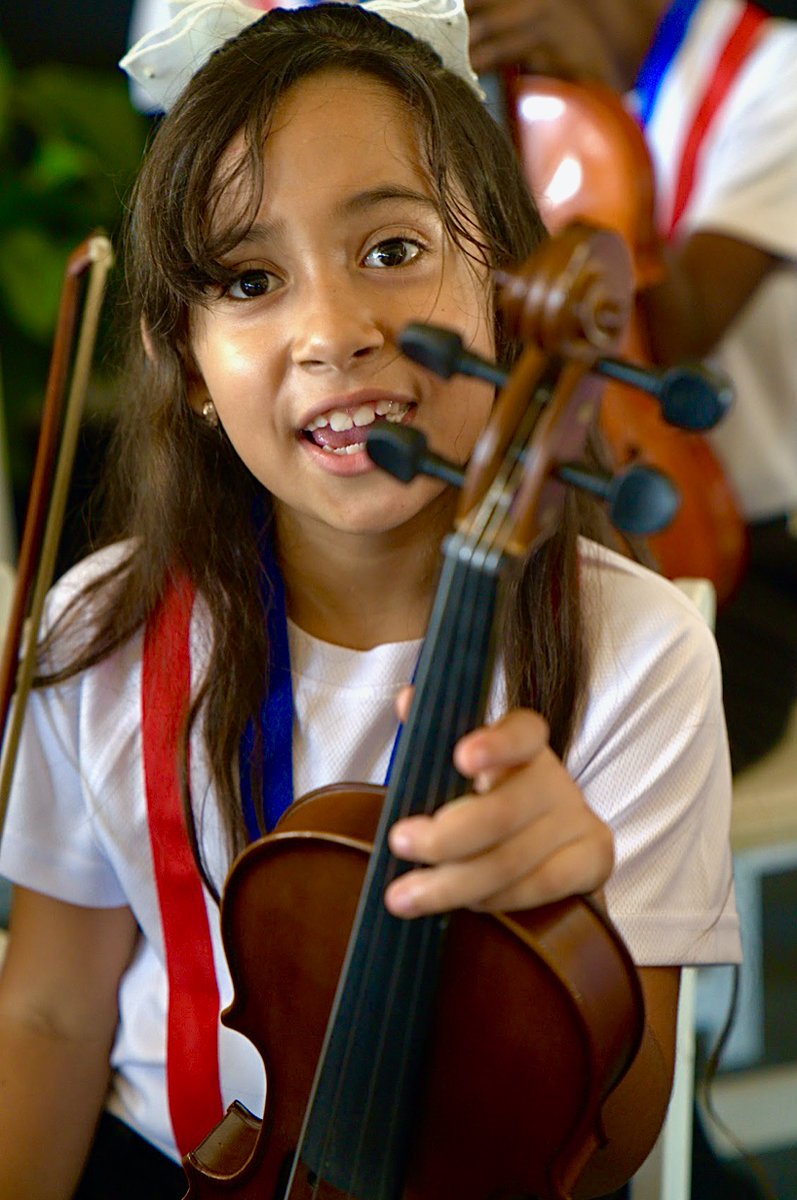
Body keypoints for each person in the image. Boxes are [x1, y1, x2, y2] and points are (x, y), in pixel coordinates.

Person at [0, 2, 740, 1198]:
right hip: (171, 1158)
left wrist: (570, 916)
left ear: (503, 285)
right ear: (185, 363)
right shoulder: (101, 631)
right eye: (248, 278)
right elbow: (45, 1014)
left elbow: (611, 1148)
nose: (331, 334)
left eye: (391, 250)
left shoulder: (634, 652)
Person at [464, 0, 797, 777]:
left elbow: (667, 344)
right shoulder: (520, 73)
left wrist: (601, 105)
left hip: (730, 556)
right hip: (549, 533)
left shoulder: (776, 72)